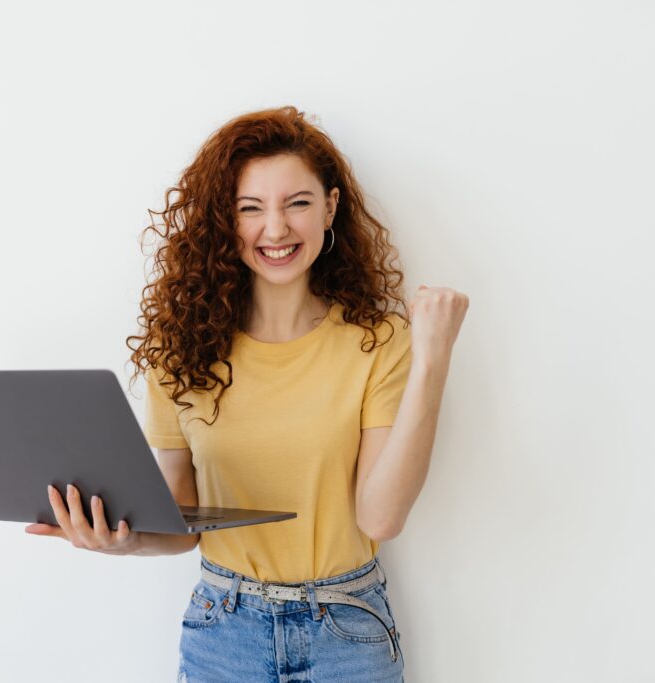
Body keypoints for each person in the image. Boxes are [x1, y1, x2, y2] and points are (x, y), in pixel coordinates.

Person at [25, 105, 469, 682]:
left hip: (347, 630)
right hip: (223, 632)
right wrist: (119, 541)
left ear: (331, 206)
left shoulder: (378, 343)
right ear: (224, 221)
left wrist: (433, 360)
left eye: (298, 203)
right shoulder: (181, 348)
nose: (276, 229)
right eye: (250, 208)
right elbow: (180, 520)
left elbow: (380, 517)